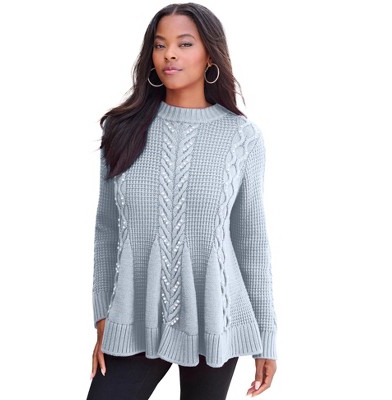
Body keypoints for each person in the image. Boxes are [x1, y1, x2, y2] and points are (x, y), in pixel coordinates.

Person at [86, 2, 277, 399]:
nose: (169, 54)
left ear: (210, 54)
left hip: (215, 319)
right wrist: (102, 314)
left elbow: (251, 242)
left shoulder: (241, 137)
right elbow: (106, 231)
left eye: (184, 43)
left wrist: (266, 338)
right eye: (160, 45)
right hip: (133, 319)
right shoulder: (121, 130)